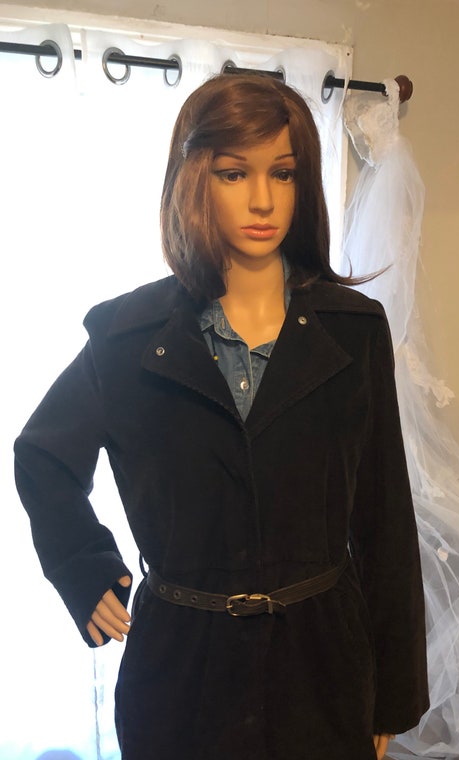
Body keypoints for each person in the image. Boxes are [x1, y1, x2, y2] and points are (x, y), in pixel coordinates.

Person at [14, 73, 429, 760]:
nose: (263, 199)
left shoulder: (353, 330)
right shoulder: (125, 337)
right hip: (180, 669)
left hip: (321, 665)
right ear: (193, 180)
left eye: (283, 173)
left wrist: (392, 690)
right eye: (234, 173)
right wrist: (81, 565)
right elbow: (42, 455)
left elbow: (384, 518)